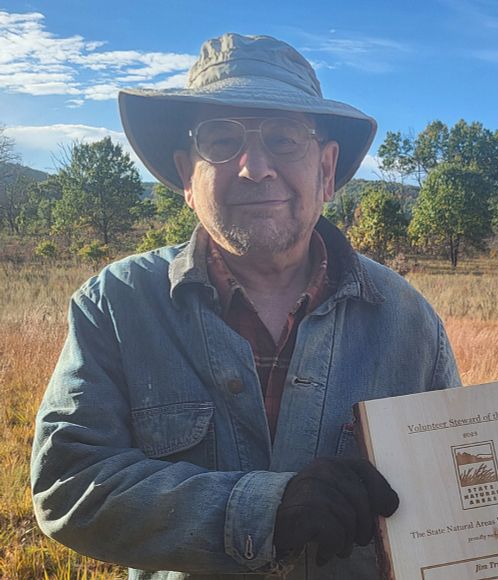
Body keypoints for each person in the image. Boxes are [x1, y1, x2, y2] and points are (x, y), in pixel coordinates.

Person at [31, 33, 460, 579]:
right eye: (221, 139)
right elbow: (68, 483)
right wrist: (265, 510)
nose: (254, 167)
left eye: (284, 140)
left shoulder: (407, 320)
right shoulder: (116, 305)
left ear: (326, 170)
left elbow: (452, 496)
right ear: (188, 175)